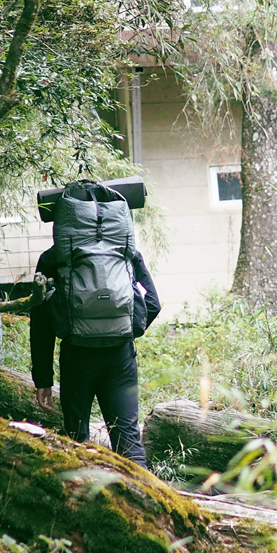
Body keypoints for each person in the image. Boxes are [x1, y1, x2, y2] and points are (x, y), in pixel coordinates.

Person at [29, 180, 160, 465]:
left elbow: (41, 322)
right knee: (128, 439)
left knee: (76, 440)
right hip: (120, 357)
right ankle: (146, 492)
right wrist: (129, 329)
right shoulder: (126, 252)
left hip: (77, 356)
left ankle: (83, 491)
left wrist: (43, 379)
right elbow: (153, 303)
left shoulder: (54, 257)